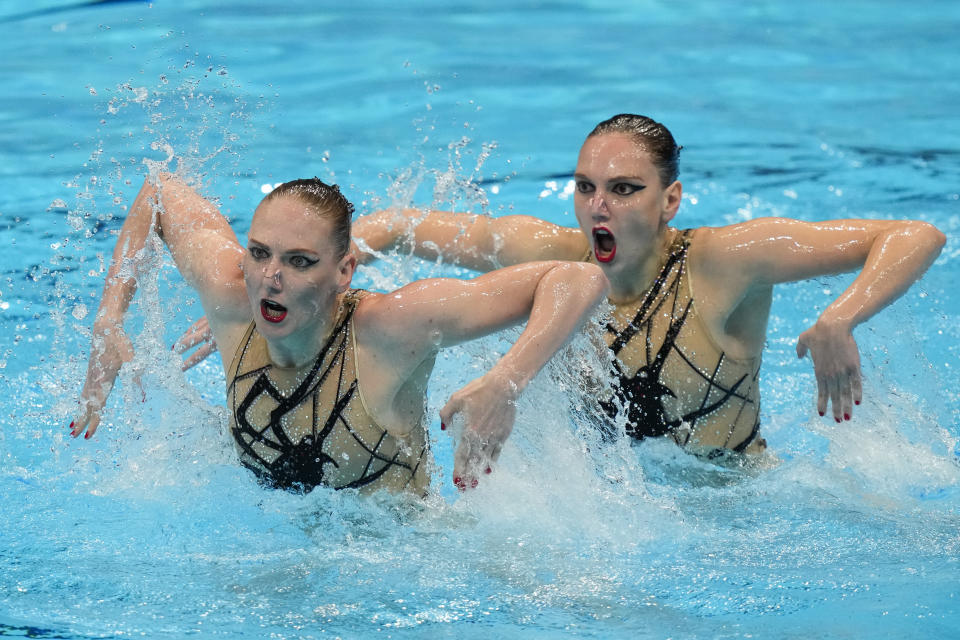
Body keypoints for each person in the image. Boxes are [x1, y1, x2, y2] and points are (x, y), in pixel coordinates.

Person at [321, 114, 946, 456]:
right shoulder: (550, 258)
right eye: (586, 187)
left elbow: (916, 235)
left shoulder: (723, 262)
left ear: (669, 199)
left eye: (624, 190)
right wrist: (315, 277)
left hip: (735, 507)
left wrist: (841, 317)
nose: (600, 207)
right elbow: (397, 227)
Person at [70, 173, 609, 494]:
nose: (269, 280)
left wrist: (506, 382)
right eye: (259, 254)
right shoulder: (233, 297)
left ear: (344, 271)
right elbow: (160, 191)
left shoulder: (389, 329)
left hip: (400, 575)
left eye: (299, 262)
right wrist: (109, 319)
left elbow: (580, 276)